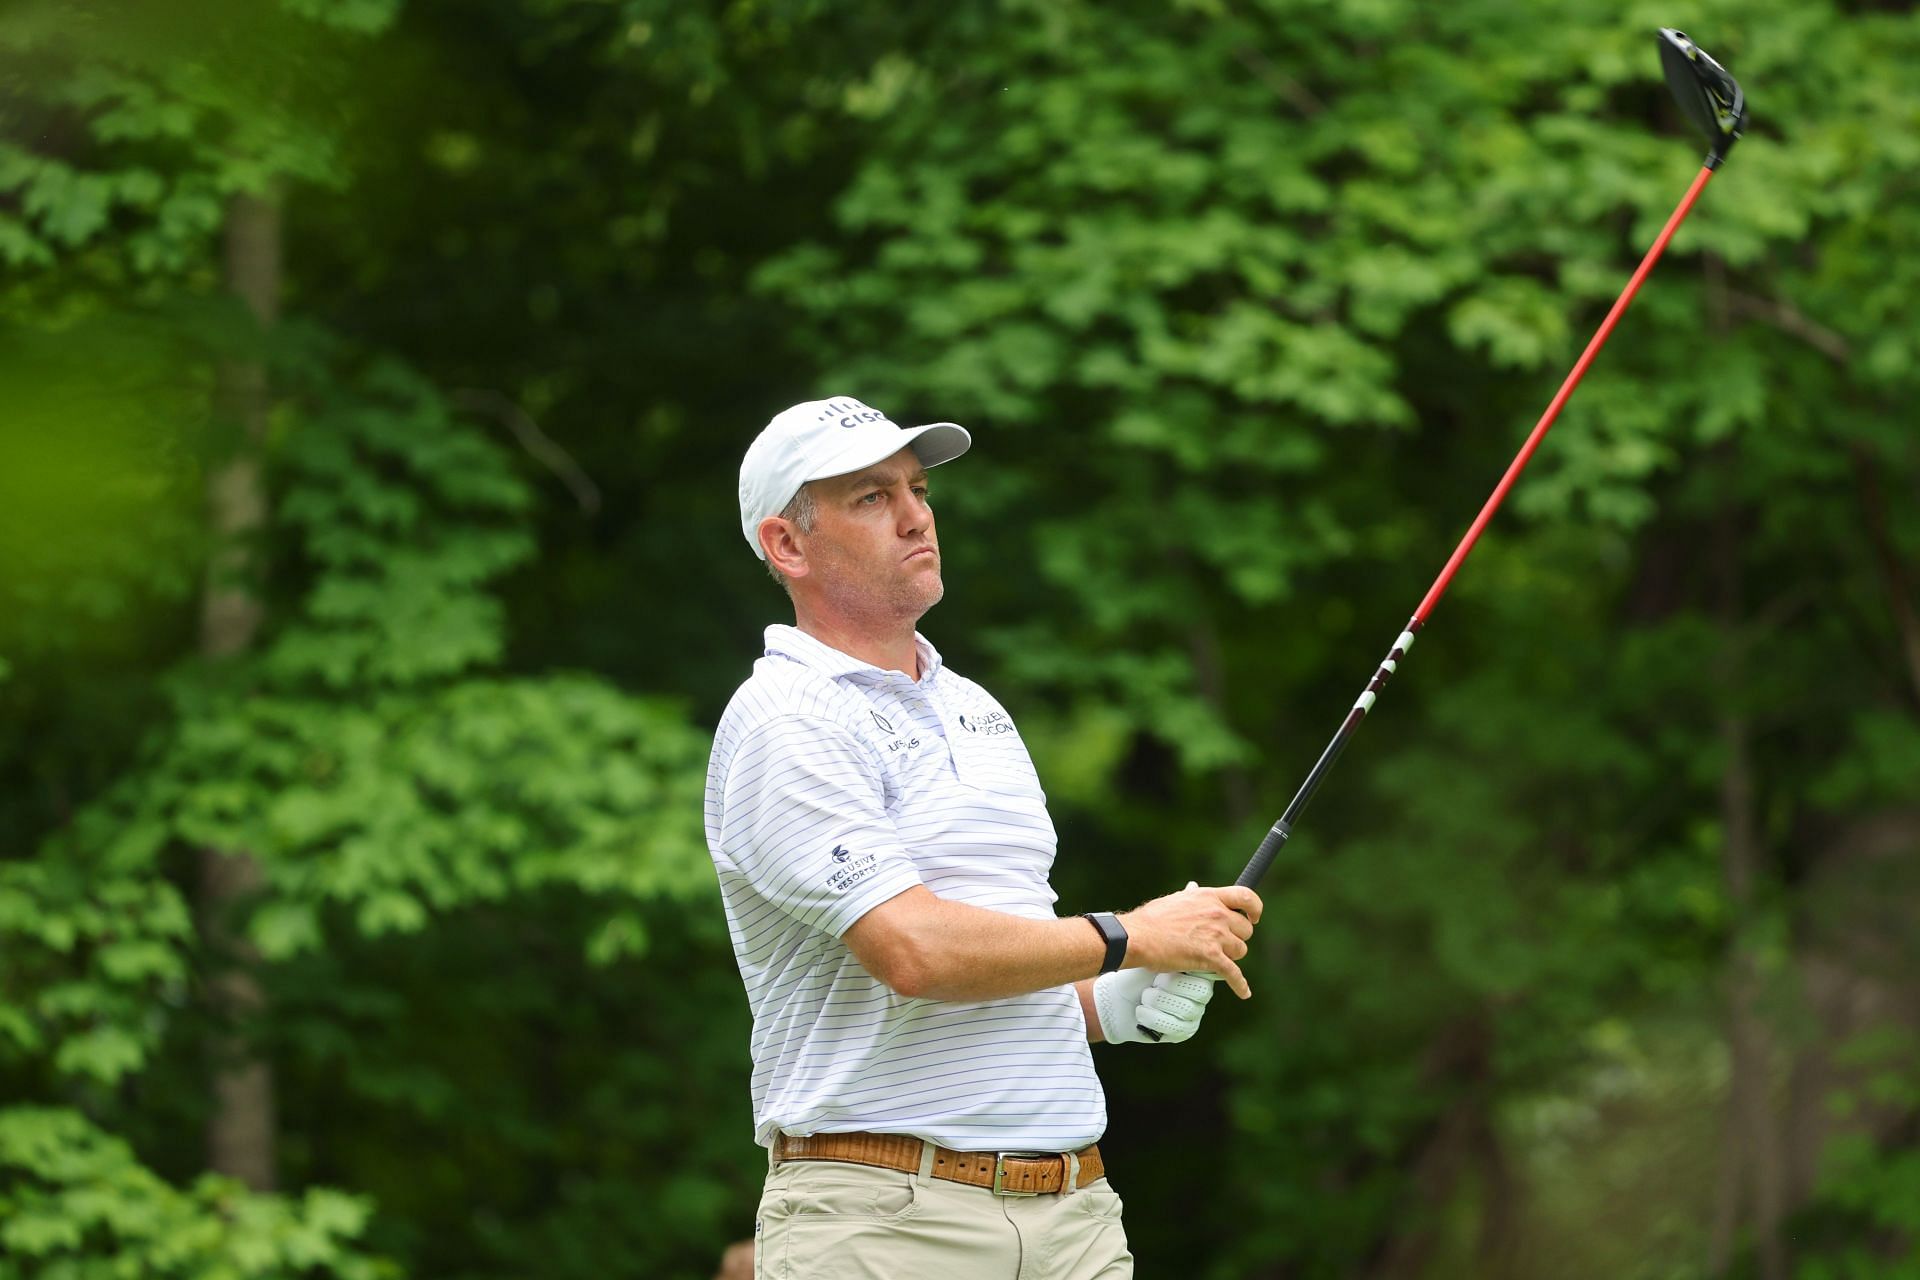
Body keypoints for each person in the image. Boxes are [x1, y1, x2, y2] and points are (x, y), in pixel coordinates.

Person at [704, 396, 1263, 1279]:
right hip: (885, 1220)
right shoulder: (786, 717)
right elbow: (915, 951)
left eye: (917, 488)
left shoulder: (975, 708)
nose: (917, 514)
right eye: (871, 498)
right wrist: (1127, 937)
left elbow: (1005, 963)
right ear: (787, 545)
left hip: (1075, 1216)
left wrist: (1113, 998)